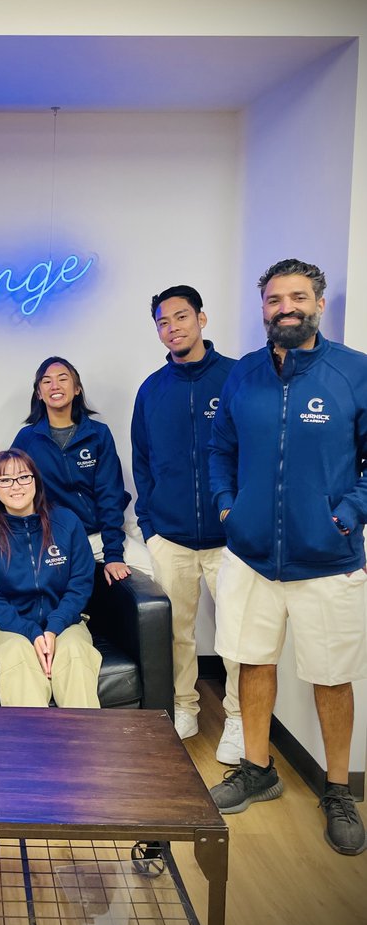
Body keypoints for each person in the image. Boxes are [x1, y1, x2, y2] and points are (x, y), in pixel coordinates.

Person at [209, 258, 367, 857]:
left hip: (326, 558)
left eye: (297, 297)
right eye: (274, 299)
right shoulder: (245, 375)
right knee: (252, 663)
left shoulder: (353, 372)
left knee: (332, 677)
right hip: (250, 556)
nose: (285, 308)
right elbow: (221, 447)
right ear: (264, 308)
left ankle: (336, 789)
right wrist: (229, 506)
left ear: (319, 304)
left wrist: (346, 514)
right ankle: (257, 769)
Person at [132, 285, 242, 762]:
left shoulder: (238, 378)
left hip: (232, 540)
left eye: (180, 317)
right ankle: (184, 705)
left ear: (201, 318)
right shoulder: (152, 390)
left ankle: (239, 719)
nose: (172, 327)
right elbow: (142, 462)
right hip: (171, 537)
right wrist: (151, 525)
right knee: (176, 631)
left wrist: (246, 519)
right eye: (162, 321)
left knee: (238, 635)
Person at [0, 449, 99, 707]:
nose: (15, 486)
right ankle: (32, 747)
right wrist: (30, 632)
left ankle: (83, 745)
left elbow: (80, 584)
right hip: (7, 627)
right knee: (19, 657)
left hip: (66, 621)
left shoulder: (67, 523)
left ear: (36, 481)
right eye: (4, 480)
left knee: (74, 653)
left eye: (23, 477)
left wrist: (53, 628)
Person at [12, 356, 151, 583]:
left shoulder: (98, 434)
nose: (54, 386)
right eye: (46, 381)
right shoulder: (27, 439)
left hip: (96, 534)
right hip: (53, 539)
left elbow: (110, 494)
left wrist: (113, 553)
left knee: (155, 570)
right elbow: (11, 491)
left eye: (63, 379)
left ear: (76, 389)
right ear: (39, 393)